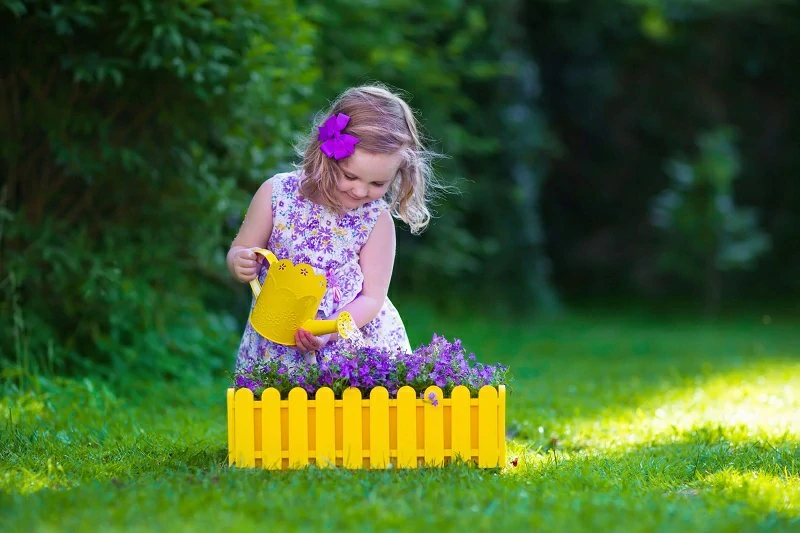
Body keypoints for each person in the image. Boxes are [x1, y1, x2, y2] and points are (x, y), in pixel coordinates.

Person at [227, 85, 440, 370]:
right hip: (277, 336)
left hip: (347, 343)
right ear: (327, 155)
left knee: (354, 409)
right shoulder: (277, 194)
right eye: (350, 176)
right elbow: (243, 248)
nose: (361, 190)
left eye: (378, 183)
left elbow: (372, 297)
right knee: (280, 410)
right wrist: (239, 261)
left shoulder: (376, 221)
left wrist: (329, 329)